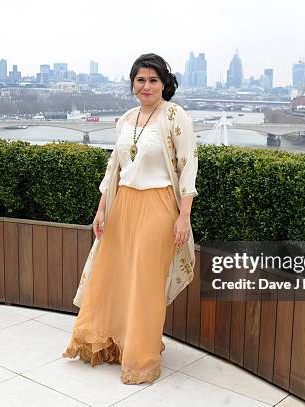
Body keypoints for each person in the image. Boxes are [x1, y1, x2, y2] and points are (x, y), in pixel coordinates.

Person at [62, 53, 198, 385]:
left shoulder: (175, 116)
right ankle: (111, 344)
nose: (147, 85)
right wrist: (101, 208)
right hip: (123, 205)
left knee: (145, 283)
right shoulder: (127, 119)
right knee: (114, 276)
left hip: (159, 206)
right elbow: (115, 167)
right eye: (141, 79)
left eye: (153, 79)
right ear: (133, 84)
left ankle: (141, 357)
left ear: (164, 83)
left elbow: (188, 165)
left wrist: (184, 217)